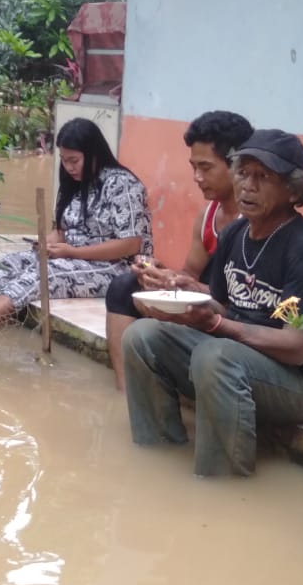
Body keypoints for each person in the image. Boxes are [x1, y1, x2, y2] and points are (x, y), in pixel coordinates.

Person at [121, 130, 303, 477]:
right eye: (243, 173)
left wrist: (215, 325)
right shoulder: (235, 235)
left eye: (263, 177)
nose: (248, 185)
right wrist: (184, 290)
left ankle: (221, 480)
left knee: (216, 355)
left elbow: (298, 347)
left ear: (292, 189)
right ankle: (157, 456)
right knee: (143, 336)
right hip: (243, 360)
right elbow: (227, 306)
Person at [0, 117, 152, 329]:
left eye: (74, 160)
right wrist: (45, 244)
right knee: (10, 263)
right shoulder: (77, 183)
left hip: (117, 268)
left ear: (94, 154)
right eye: (64, 160)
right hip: (74, 256)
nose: (68, 167)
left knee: (43, 273)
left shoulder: (122, 184)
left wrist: (71, 252)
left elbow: (131, 244)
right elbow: (62, 232)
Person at [105, 110, 253, 387]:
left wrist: (191, 289)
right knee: (124, 287)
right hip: (207, 297)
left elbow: (246, 298)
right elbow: (190, 273)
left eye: (206, 167)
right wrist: (161, 275)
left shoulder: (256, 222)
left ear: (237, 165)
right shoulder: (208, 215)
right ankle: (125, 392)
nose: (196, 177)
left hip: (234, 312)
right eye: (193, 166)